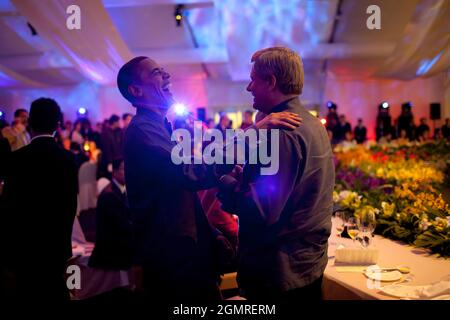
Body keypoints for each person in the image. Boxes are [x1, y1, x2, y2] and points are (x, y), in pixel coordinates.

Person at [117, 56, 301, 303]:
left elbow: (180, 191)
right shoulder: (143, 131)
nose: (167, 75)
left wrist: (210, 233)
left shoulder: (159, 126)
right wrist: (252, 135)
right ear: (135, 90)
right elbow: (189, 173)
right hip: (171, 255)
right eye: (157, 73)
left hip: (183, 249)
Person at [218, 47, 334, 301]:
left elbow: (261, 211)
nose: (249, 87)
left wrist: (224, 182)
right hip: (304, 264)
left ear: (271, 82)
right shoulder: (311, 122)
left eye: (253, 80)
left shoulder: (279, 131)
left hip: (278, 272)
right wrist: (246, 178)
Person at [1, 98, 78, 301]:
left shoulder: (15, 160)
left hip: (24, 249)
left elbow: (8, 209)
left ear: (30, 123)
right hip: (58, 246)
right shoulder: (68, 159)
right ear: (57, 125)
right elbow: (70, 207)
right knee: (60, 293)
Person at [89, 158, 133, 271]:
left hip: (118, 247)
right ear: (114, 172)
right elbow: (120, 224)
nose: (127, 172)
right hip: (110, 253)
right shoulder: (109, 194)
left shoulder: (124, 191)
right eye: (124, 169)